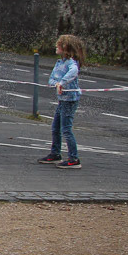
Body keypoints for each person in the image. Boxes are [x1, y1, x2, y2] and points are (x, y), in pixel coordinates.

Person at [38, 34, 86, 169]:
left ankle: (74, 158)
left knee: (66, 129)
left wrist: (62, 83)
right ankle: (55, 153)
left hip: (70, 99)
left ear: (66, 48)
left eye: (58, 44)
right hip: (62, 100)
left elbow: (73, 72)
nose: (56, 46)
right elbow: (51, 80)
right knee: (55, 127)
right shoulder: (59, 63)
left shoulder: (72, 63)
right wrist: (57, 83)